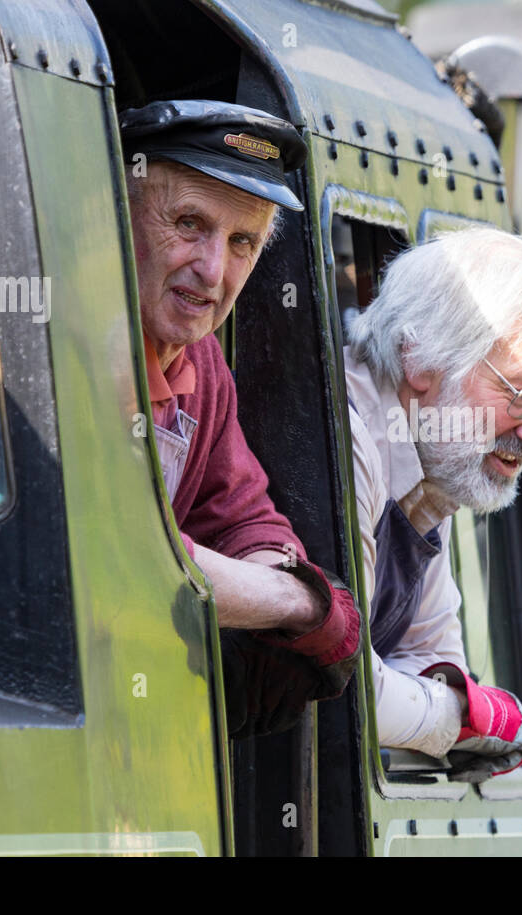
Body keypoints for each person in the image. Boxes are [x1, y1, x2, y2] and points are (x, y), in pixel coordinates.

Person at [119, 100, 359, 735]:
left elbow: (246, 519)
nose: (213, 270)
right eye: (190, 224)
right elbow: (115, 552)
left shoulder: (202, 364)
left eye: (242, 242)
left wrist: (279, 580)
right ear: (116, 213)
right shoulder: (60, 344)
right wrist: (296, 599)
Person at [344, 227, 522, 782]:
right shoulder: (350, 437)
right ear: (420, 356)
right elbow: (349, 685)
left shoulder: (437, 456)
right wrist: (461, 717)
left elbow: (429, 656)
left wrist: (435, 706)